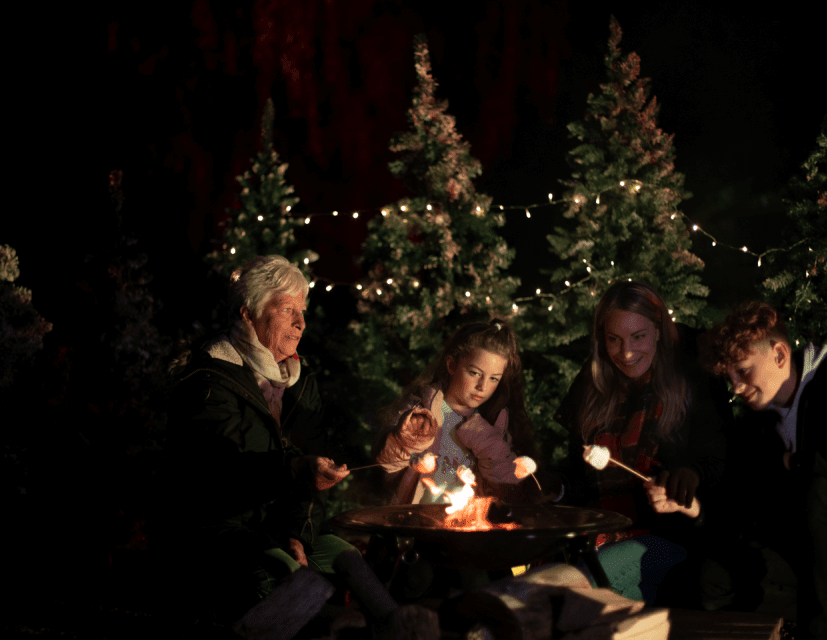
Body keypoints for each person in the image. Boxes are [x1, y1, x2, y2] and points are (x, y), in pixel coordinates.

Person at [167, 255, 395, 623]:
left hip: (282, 526)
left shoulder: (299, 381)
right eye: (287, 308)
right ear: (248, 314)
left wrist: (298, 534)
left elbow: (313, 465)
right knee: (294, 588)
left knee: (355, 567)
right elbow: (227, 471)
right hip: (228, 529)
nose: (301, 323)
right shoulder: (210, 383)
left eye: (302, 310)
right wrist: (295, 469)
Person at [696, 301, 827, 640]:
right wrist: (694, 509)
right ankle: (816, 606)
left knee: (818, 490)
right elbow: (744, 502)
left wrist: (799, 462)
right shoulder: (756, 423)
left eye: (744, 371)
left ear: (779, 354)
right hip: (801, 555)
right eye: (730, 377)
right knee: (713, 578)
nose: (736, 387)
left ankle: (820, 629)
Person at [551, 281, 729, 602]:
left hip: (665, 537)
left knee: (580, 583)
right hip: (595, 534)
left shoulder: (693, 382)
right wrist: (557, 487)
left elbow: (719, 462)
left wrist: (689, 476)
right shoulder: (593, 387)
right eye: (614, 340)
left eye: (639, 337)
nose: (627, 353)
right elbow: (580, 478)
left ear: (659, 331)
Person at [372, 319, 557, 599]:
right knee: (417, 582)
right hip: (415, 533)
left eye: (494, 378)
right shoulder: (420, 412)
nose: (482, 386)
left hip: (467, 537)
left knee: (480, 582)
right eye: (474, 372)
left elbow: (504, 489)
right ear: (451, 364)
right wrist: (405, 439)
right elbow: (387, 463)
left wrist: (487, 443)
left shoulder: (492, 425)